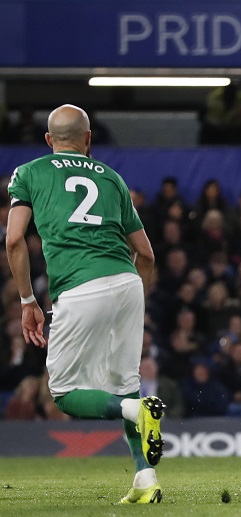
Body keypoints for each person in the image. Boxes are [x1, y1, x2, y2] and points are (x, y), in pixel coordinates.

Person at [5, 104, 164, 504]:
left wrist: (27, 301)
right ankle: (146, 481)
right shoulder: (112, 179)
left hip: (78, 286)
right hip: (127, 282)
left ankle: (136, 413)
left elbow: (13, 240)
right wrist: (135, 297)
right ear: (88, 139)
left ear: (48, 141)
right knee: (126, 385)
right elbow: (146, 255)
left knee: (62, 392)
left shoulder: (29, 173)